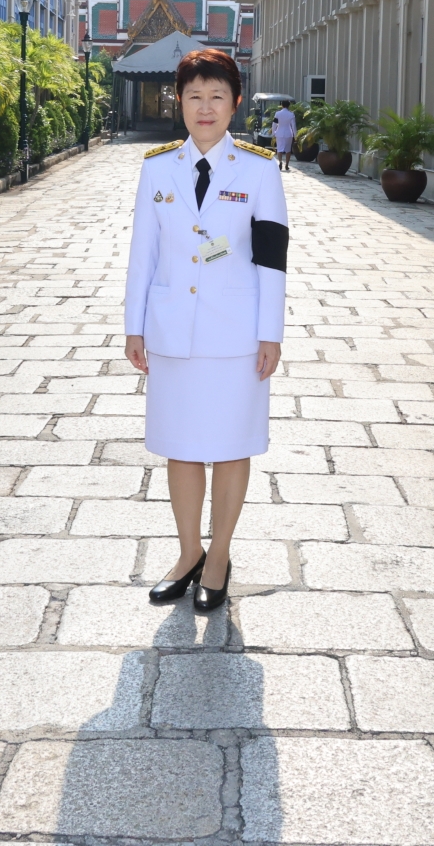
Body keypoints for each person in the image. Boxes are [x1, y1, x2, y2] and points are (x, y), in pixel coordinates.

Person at [124, 49, 288, 612]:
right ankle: (188, 552)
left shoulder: (261, 171)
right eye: (194, 95)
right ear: (180, 102)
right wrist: (134, 326)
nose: (205, 107)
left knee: (232, 445)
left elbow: (271, 260)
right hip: (172, 331)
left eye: (217, 95)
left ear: (236, 103)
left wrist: (271, 333)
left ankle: (219, 556)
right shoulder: (156, 169)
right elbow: (142, 255)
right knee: (182, 447)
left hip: (236, 334)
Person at [272, 100, 297, 172]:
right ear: (289, 105)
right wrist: (295, 135)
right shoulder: (291, 114)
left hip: (279, 133)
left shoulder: (277, 114)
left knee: (279, 149)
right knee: (288, 150)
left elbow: (274, 124)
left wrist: (274, 132)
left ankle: (280, 162)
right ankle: (287, 165)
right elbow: (293, 126)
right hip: (288, 133)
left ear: (282, 105)